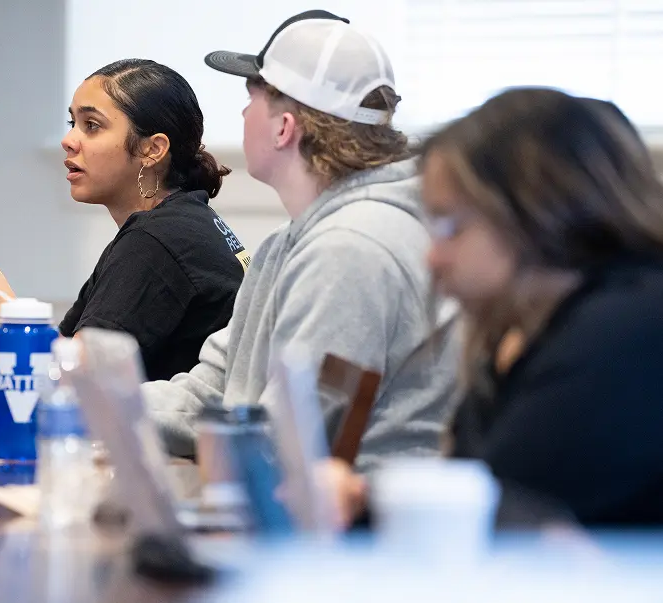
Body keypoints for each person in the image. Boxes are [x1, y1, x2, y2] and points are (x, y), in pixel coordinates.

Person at [327, 88, 663, 528]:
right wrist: (362, 504)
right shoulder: (528, 329)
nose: (434, 256)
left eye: (450, 225)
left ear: (536, 210)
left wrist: (363, 511)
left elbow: (489, 521)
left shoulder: (623, 331)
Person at [139, 11, 460, 464]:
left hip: (363, 528)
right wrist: (82, 397)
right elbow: (213, 392)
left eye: (252, 98)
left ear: (284, 127)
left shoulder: (351, 249)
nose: (243, 112)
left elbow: (282, 444)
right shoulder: (290, 242)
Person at [0, 59, 249, 381]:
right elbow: (46, 358)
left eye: (92, 126)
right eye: (72, 123)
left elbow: (62, 381)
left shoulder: (158, 240)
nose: (68, 140)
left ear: (152, 149)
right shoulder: (177, 224)